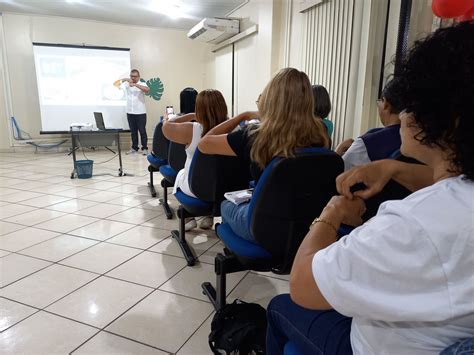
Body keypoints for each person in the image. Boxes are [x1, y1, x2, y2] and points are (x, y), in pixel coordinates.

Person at [266, 21, 474, 355]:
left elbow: (302, 285)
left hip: (373, 346)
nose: (402, 115)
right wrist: (393, 166)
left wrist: (331, 214)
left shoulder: (416, 223)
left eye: (411, 105)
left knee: (279, 306)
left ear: (444, 119)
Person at [199, 68, 329, 242]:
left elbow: (204, 143)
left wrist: (241, 116)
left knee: (225, 204)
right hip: (308, 226)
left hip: (263, 227)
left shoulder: (254, 135)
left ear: (271, 98)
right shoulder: (321, 133)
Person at [162, 89, 228, 231]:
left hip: (196, 187)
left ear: (198, 109)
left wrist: (191, 115)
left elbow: (166, 127)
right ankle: (208, 217)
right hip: (225, 189)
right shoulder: (234, 130)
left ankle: (188, 217)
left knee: (181, 174)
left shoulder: (193, 129)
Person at [337, 77, 405, 170]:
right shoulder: (420, 142)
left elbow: (338, 174)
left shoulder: (367, 143)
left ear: (385, 104)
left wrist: (336, 153)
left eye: (379, 102)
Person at [120, 69, 150, 155]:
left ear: (138, 77)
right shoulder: (126, 84)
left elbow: (147, 90)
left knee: (142, 131)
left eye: (135, 76)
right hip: (130, 112)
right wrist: (126, 79)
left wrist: (135, 84)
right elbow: (116, 84)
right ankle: (134, 148)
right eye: (131, 76)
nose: (133, 78)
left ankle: (144, 148)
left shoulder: (142, 83)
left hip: (140, 112)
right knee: (133, 131)